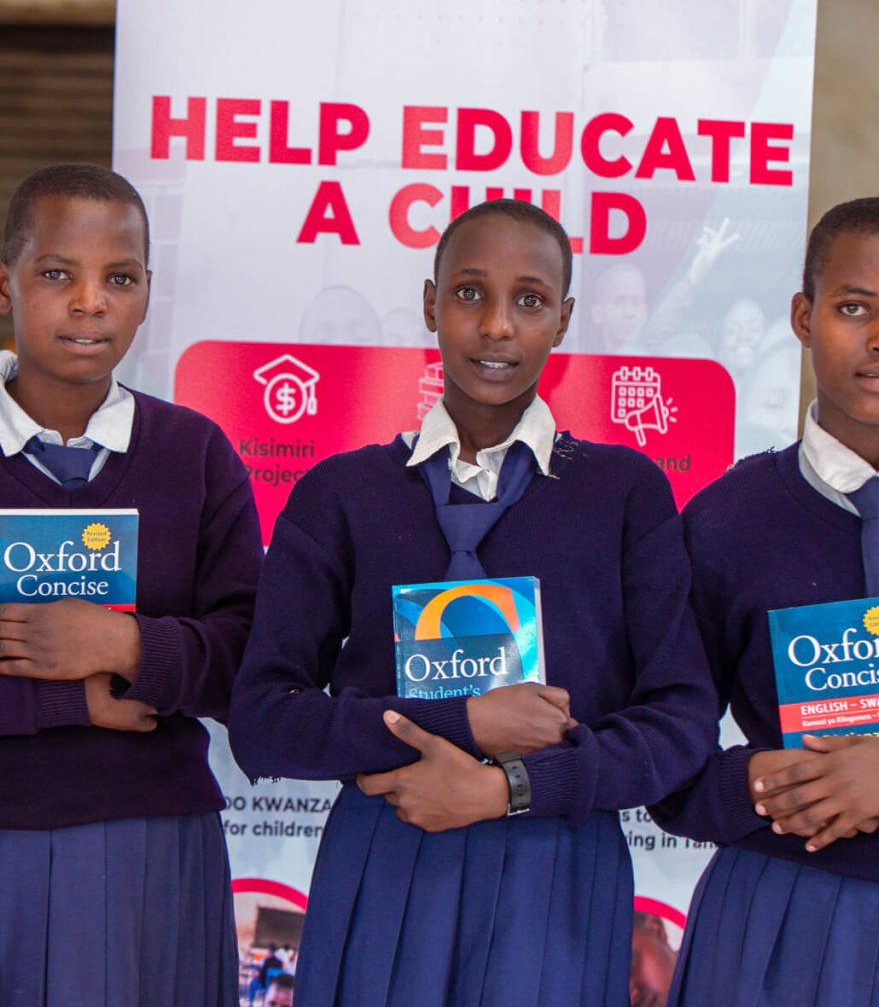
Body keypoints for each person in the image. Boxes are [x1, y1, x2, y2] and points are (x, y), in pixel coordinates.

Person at [229, 198, 716, 1006]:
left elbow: (680, 724)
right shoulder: (341, 495)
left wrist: (513, 787)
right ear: (430, 303)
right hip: (386, 854)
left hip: (555, 868)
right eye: (469, 294)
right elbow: (263, 720)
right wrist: (466, 723)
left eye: (528, 300)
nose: (496, 325)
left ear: (562, 320)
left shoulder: (625, 494)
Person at [653, 196, 879, 1005]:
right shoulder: (723, 518)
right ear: (803, 315)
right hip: (775, 913)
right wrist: (768, 785)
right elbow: (665, 753)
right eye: (855, 308)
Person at [0, 164, 262, 1005]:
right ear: (4, 283)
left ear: (148, 291)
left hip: (155, 841)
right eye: (56, 275)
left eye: (118, 278)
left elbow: (250, 658)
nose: (89, 302)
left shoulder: (195, 451)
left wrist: (127, 644)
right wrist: (67, 702)